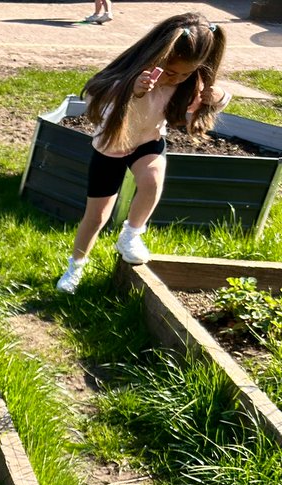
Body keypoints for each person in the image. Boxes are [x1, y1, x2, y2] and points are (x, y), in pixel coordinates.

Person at [56, 12, 229, 293]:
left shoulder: (188, 80)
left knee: (152, 181)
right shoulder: (131, 73)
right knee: (97, 217)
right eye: (172, 72)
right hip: (112, 144)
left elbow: (197, 109)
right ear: (158, 55)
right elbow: (94, 95)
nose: (178, 79)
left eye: (186, 73)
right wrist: (131, 90)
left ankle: (131, 234)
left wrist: (218, 97)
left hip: (148, 140)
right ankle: (75, 267)